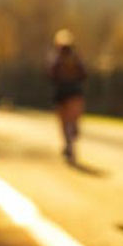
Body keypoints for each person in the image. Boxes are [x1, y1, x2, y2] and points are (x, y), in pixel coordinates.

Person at [48, 29, 86, 162]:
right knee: (72, 119)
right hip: (74, 92)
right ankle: (70, 140)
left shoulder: (57, 58)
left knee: (64, 122)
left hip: (62, 93)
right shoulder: (76, 57)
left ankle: (68, 143)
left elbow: (51, 74)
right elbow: (84, 74)